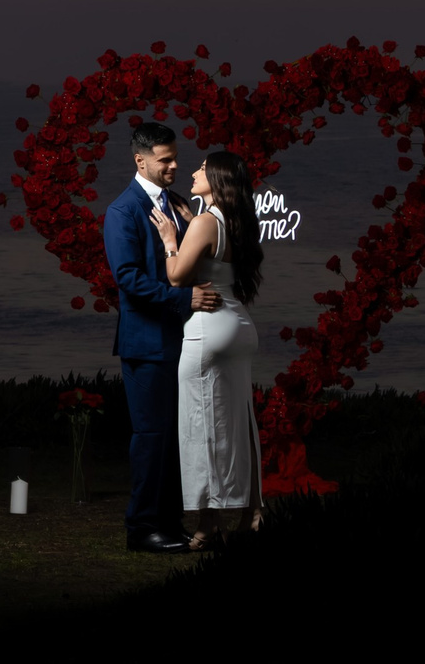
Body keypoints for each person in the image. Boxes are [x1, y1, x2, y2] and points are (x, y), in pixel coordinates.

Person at [104, 122, 221, 554]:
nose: (174, 165)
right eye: (164, 159)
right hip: (146, 343)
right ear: (140, 160)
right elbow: (128, 279)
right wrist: (184, 298)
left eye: (175, 157)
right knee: (152, 438)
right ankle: (143, 529)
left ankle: (169, 524)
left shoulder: (176, 203)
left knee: (178, 437)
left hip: (181, 340)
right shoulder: (122, 211)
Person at [151, 149, 265, 546]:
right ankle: (253, 511)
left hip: (208, 330)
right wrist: (188, 229)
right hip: (239, 325)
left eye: (201, 168)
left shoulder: (202, 222)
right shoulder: (238, 222)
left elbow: (178, 277)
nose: (193, 173)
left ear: (217, 180)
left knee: (201, 427)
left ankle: (207, 523)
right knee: (239, 422)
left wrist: (170, 241)